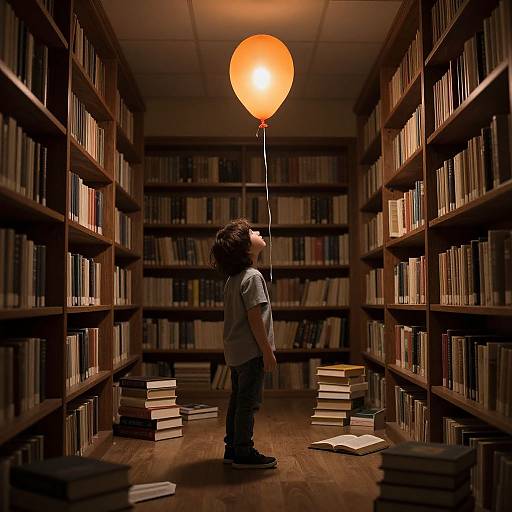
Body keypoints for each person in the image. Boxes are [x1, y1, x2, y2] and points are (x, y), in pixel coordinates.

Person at [210, 218, 277, 469]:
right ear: (246, 248)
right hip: (252, 352)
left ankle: (232, 447)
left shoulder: (234, 278)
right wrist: (267, 352)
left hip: (236, 352)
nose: (258, 231)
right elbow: (255, 319)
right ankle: (243, 451)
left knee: (237, 400)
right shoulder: (253, 277)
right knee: (248, 403)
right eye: (251, 232)